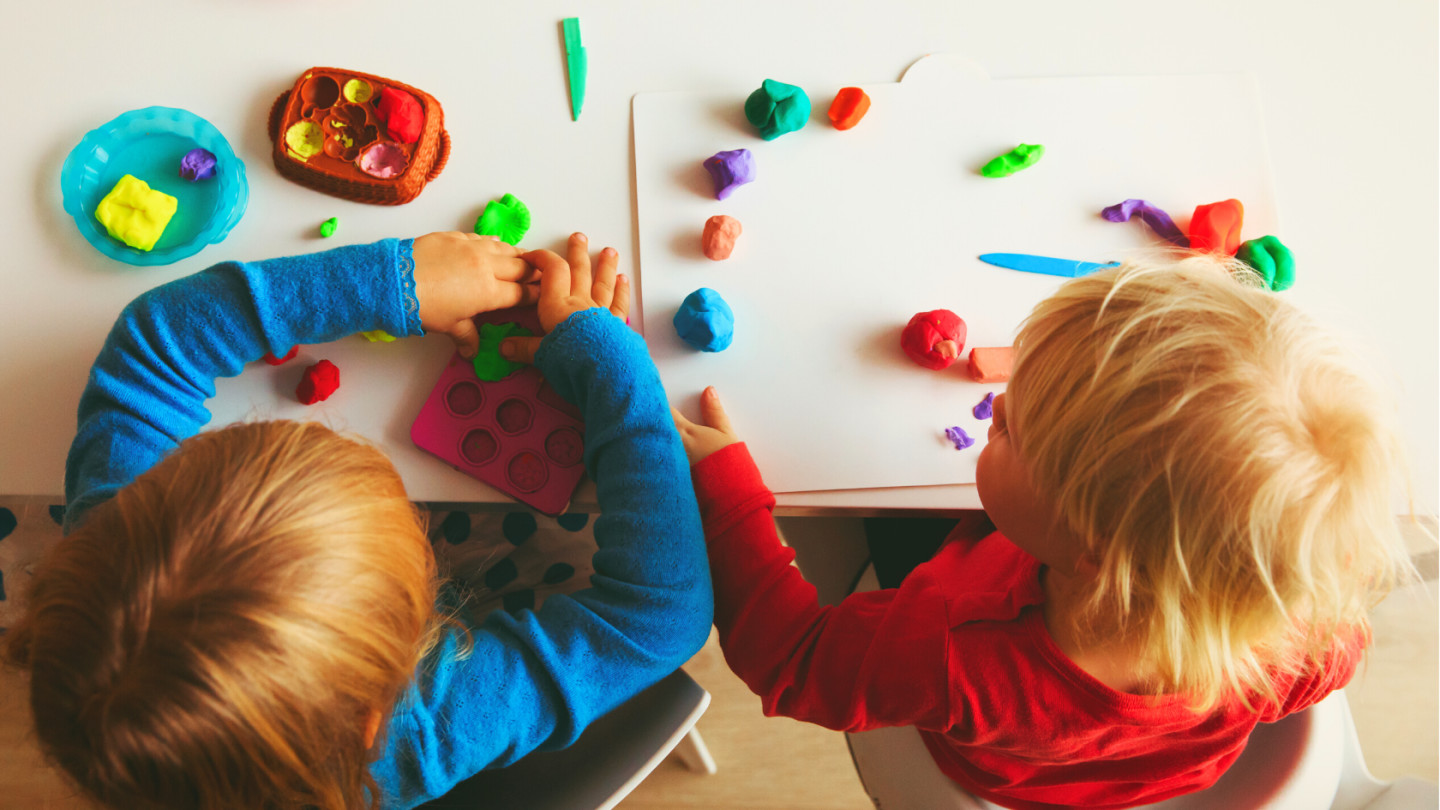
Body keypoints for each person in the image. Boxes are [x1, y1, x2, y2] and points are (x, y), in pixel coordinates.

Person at [672, 252, 1414, 809]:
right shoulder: (1303, 628)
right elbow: (1343, 651)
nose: (993, 407)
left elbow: (794, 660)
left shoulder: (953, 653)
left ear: (1092, 552)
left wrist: (725, 491)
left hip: (995, 768)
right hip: (1156, 770)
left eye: (1011, 427)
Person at [4, 232, 713, 809]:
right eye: (409, 540)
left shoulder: (113, 549)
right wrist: (613, 362)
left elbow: (149, 349)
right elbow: (660, 617)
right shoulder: (414, 735)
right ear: (379, 702)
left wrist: (393, 283)